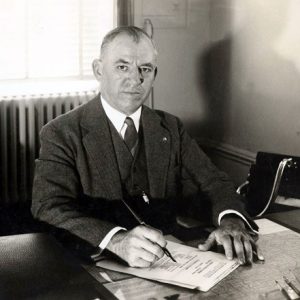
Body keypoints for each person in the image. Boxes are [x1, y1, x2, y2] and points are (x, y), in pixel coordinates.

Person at [31, 26, 264, 268]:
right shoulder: (61, 132)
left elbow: (214, 182)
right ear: (98, 70)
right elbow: (48, 206)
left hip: (169, 263)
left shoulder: (170, 127)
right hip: (94, 261)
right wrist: (115, 240)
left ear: (155, 74)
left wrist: (230, 221)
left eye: (145, 69)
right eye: (122, 67)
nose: (135, 79)